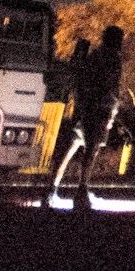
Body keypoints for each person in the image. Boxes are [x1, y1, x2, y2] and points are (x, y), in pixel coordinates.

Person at [51, 25, 125, 210]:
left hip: (83, 107)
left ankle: (52, 188)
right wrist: (113, 109)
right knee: (90, 151)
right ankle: (81, 192)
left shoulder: (93, 56)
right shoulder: (112, 59)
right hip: (100, 109)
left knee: (71, 148)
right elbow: (111, 86)